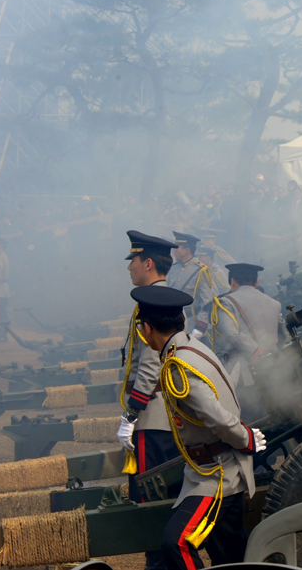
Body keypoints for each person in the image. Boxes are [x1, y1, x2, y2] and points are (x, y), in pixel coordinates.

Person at [127, 285, 265, 570]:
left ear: (147, 329)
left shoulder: (178, 365)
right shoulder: (193, 348)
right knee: (230, 559)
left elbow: (216, 416)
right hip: (215, 468)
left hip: (217, 475)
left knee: (176, 542)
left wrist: (245, 439)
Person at [119, 231, 182, 570]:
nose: (129, 267)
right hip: (168, 414)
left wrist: (131, 415)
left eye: (132, 260)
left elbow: (148, 367)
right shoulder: (168, 297)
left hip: (152, 416)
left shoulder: (151, 303)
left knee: (151, 499)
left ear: (147, 263)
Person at [206, 263, 288, 422]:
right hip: (274, 370)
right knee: (278, 416)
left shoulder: (226, 302)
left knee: (252, 421)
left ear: (232, 282)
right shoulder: (274, 303)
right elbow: (284, 337)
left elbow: (231, 333)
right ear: (256, 282)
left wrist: (255, 351)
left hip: (245, 375)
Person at [166, 232, 219, 335]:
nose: (174, 250)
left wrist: (200, 327)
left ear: (187, 250)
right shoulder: (173, 268)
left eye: (177, 247)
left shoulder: (201, 270)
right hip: (171, 321)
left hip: (190, 323)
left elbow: (207, 302)